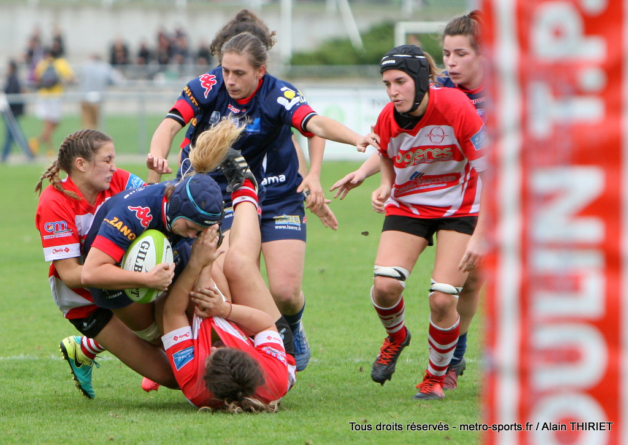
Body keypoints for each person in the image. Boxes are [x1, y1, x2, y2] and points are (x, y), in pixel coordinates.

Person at [147, 10, 372, 371]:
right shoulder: (207, 86)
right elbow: (170, 123)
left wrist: (351, 142)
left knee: (284, 291)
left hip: (279, 193)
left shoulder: (279, 94)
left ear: (260, 70)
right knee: (233, 271)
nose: (230, 80)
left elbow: (312, 125)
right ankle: (253, 352)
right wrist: (157, 153)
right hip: (223, 196)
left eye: (239, 73)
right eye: (226, 71)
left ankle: (292, 326)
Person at [330, 11, 487, 392]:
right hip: (417, 202)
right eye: (446, 53)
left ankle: (443, 365)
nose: (449, 61)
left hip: (475, 201)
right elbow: (392, 143)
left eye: (459, 53)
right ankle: (432, 351)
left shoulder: (504, 94)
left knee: (459, 290)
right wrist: (377, 178)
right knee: (390, 287)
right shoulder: (428, 91)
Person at [34, 129, 178, 399]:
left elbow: (146, 208)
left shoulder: (118, 180)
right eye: (107, 160)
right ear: (81, 164)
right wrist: (144, 279)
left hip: (122, 285)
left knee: (172, 340)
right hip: (85, 303)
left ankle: (87, 347)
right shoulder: (54, 202)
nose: (114, 167)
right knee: (174, 375)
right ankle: (89, 344)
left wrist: (154, 176)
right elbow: (72, 275)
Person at [161, 164, 296, 412]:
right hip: (271, 343)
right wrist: (224, 309)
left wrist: (199, 264)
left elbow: (171, 314)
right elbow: (265, 324)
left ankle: (212, 227)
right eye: (222, 348)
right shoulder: (274, 376)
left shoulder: (193, 384)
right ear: (248, 355)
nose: (213, 347)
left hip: (209, 330)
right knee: (236, 263)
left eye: (212, 354)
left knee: (207, 274)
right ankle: (245, 185)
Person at [31, 47, 74, 156]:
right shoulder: (61, 63)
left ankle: (38, 142)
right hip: (55, 96)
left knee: (49, 124)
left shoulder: (42, 64)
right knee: (51, 123)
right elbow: (70, 77)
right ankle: (48, 149)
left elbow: (36, 78)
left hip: (44, 95)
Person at [79, 54, 121, 130]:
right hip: (97, 99)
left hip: (84, 98)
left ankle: (86, 141)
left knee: (86, 125)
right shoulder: (105, 67)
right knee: (94, 126)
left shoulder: (85, 66)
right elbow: (117, 80)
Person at [2, 60, 27, 162]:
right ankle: (4, 155)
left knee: (15, 134)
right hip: (11, 112)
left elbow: (12, 95)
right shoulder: (12, 79)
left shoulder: (13, 80)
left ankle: (28, 154)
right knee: (12, 134)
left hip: (12, 112)